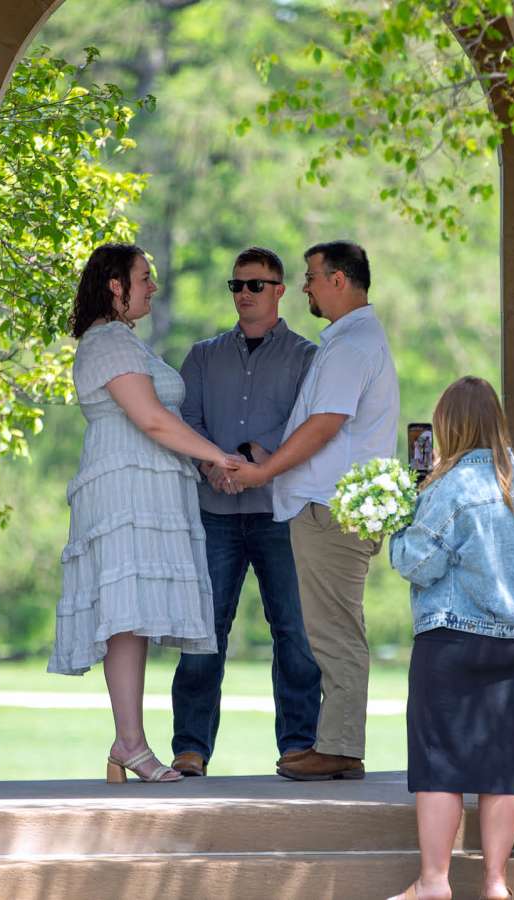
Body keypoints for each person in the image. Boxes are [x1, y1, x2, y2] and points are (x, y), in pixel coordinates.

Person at [48, 243, 241, 785]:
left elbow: (161, 425)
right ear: (116, 286)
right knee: (125, 617)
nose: (152, 286)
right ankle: (131, 742)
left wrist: (204, 464)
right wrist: (217, 455)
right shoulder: (107, 342)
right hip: (123, 490)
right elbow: (152, 420)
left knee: (131, 620)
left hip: (149, 487)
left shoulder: (128, 343)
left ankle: (126, 742)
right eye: (144, 277)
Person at [228, 240, 400, 781]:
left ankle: (342, 746)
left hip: (331, 510)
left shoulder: (352, 345)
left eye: (311, 277)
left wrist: (265, 470)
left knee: (333, 632)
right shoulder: (351, 340)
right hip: (331, 506)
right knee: (327, 628)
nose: (305, 286)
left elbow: (326, 423)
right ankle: (337, 743)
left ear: (340, 281)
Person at [384, 376, 514, 900]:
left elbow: (418, 563)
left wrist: (396, 526)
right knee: (503, 765)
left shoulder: (449, 486)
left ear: (447, 427)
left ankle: (434, 882)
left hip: (454, 640)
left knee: (440, 764)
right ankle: (496, 883)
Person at [167, 247, 323, 777]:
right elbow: (184, 420)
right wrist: (214, 464)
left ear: (280, 290)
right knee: (204, 630)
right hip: (215, 509)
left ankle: (300, 746)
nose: (244, 294)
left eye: (256, 285)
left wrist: (261, 455)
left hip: (280, 512)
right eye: (236, 285)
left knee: (294, 632)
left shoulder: (307, 357)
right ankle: (190, 748)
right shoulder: (203, 355)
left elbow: (312, 423)